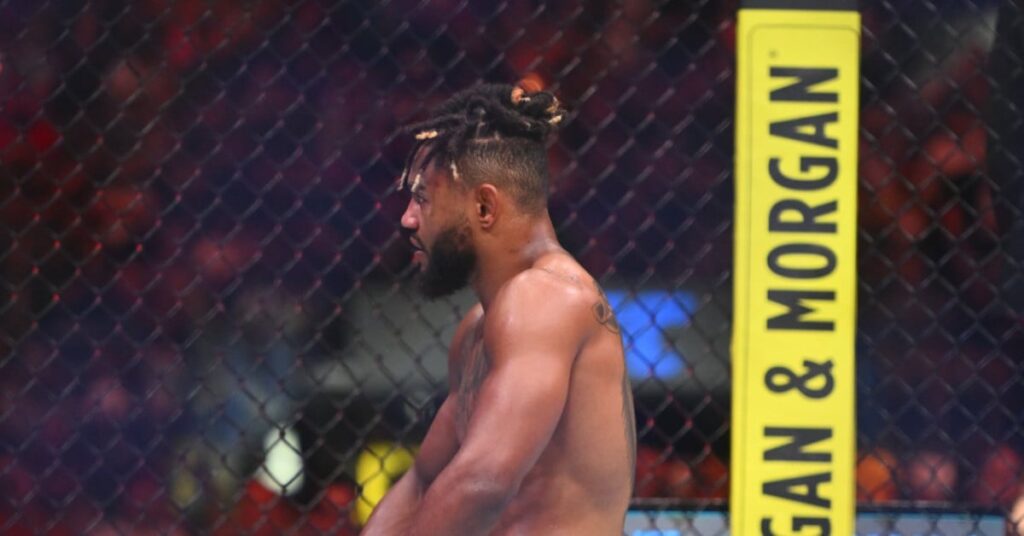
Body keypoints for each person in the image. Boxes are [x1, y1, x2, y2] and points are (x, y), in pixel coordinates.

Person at [361, 82, 636, 535]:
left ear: (485, 206)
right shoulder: (477, 330)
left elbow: (482, 481)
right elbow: (421, 482)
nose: (408, 218)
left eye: (423, 198)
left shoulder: (546, 298)